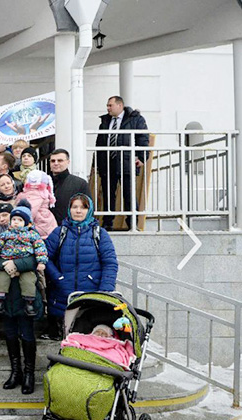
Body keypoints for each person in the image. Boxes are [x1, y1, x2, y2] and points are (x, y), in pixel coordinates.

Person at [44, 194, 119, 340]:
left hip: (91, 297)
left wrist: (104, 291)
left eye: (83, 207)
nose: (78, 211)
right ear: (69, 209)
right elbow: (44, 258)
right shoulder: (59, 233)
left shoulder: (99, 234)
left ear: (89, 210)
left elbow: (110, 263)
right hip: (62, 296)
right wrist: (59, 278)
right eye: (75, 207)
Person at [95, 96, 149, 231]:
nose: (107, 108)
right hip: (108, 162)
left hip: (126, 161)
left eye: (110, 105)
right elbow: (100, 142)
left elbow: (143, 139)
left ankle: (132, 223)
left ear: (120, 105)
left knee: (129, 194)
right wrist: (98, 162)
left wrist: (142, 158)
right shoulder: (105, 121)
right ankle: (108, 223)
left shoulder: (135, 119)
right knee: (108, 193)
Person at [0, 199, 47, 317]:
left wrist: (41, 262)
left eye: (19, 220)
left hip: (25, 265)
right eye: (14, 220)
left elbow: (40, 248)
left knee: (28, 281)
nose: (16, 222)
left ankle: (29, 302)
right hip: (6, 265)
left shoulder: (32, 234)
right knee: (1, 279)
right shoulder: (5, 234)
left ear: (27, 223)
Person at [49, 148, 92, 225]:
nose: (56, 163)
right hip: (47, 230)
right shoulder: (43, 183)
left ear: (68, 162)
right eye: (53, 161)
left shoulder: (80, 184)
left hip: (71, 229)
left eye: (60, 160)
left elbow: (88, 209)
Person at [15, 170, 58, 239]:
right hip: (45, 222)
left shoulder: (34, 194)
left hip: (39, 223)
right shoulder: (40, 192)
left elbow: (32, 210)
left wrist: (22, 221)